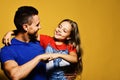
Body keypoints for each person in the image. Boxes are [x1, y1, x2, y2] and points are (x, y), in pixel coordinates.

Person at [2, 19, 83, 80]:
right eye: (59, 26)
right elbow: (27, 31)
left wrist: (57, 55)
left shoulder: (70, 46)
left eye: (64, 31)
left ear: (69, 37)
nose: (59, 30)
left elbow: (74, 59)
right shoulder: (46, 40)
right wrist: (11, 32)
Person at [0, 6, 54, 80]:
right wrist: (39, 58)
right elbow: (15, 75)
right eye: (37, 25)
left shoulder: (40, 41)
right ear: (25, 27)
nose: (40, 27)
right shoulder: (7, 50)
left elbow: (63, 48)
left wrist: (69, 71)